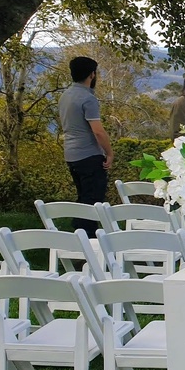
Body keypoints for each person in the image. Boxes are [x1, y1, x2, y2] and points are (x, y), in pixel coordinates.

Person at [59, 56, 113, 238]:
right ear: (92, 74)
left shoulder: (66, 95)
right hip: (88, 154)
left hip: (71, 153)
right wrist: (109, 153)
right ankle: (86, 237)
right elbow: (98, 131)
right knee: (93, 201)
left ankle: (82, 233)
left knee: (83, 196)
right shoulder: (87, 99)